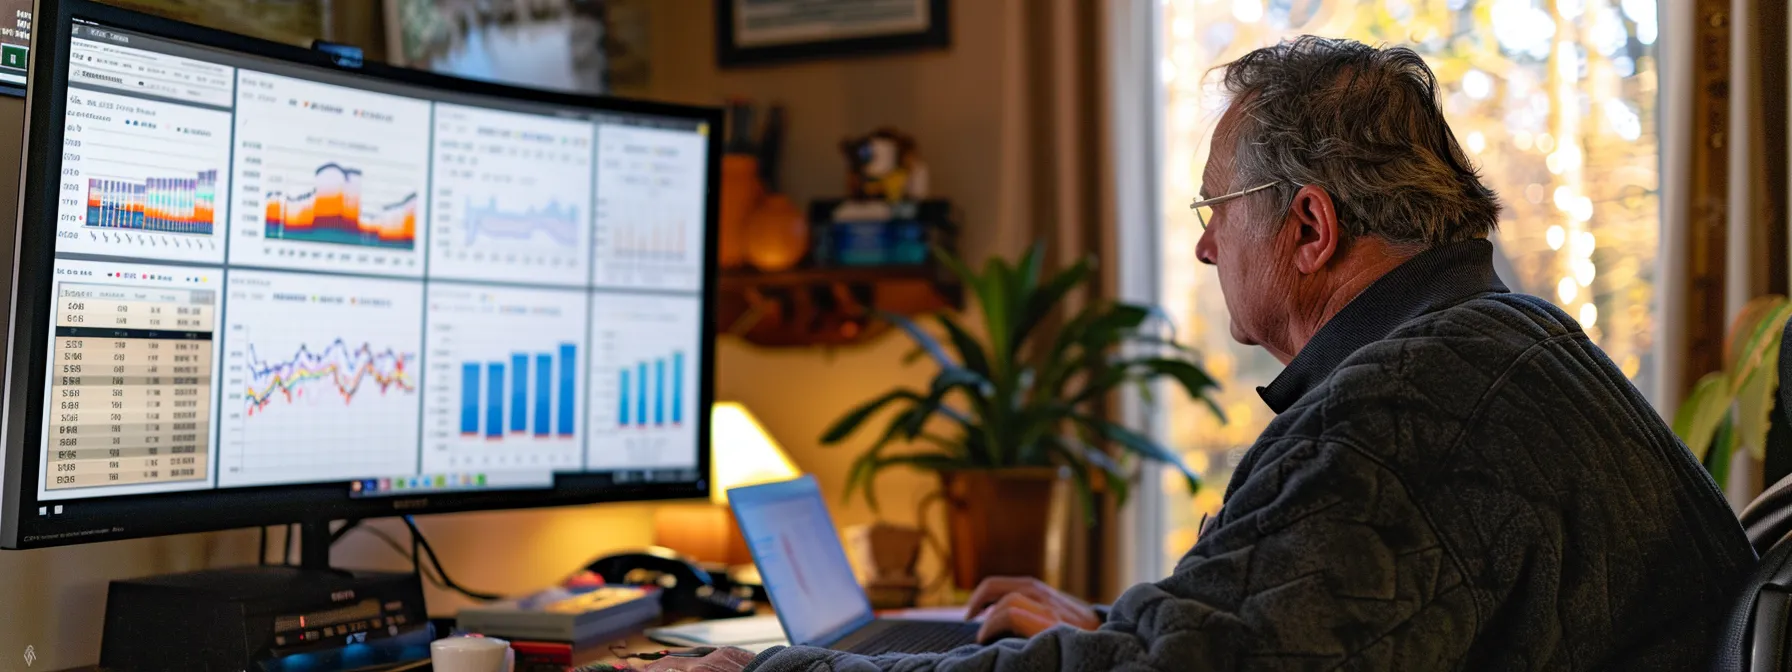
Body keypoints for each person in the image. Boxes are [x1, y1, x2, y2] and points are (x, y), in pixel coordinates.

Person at [647, 36, 1756, 671]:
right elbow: (1308, 631)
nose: (1201, 241)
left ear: (1310, 230)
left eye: (1218, 207)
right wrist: (1127, 625)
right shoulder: (1504, 342)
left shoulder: (1414, 407)